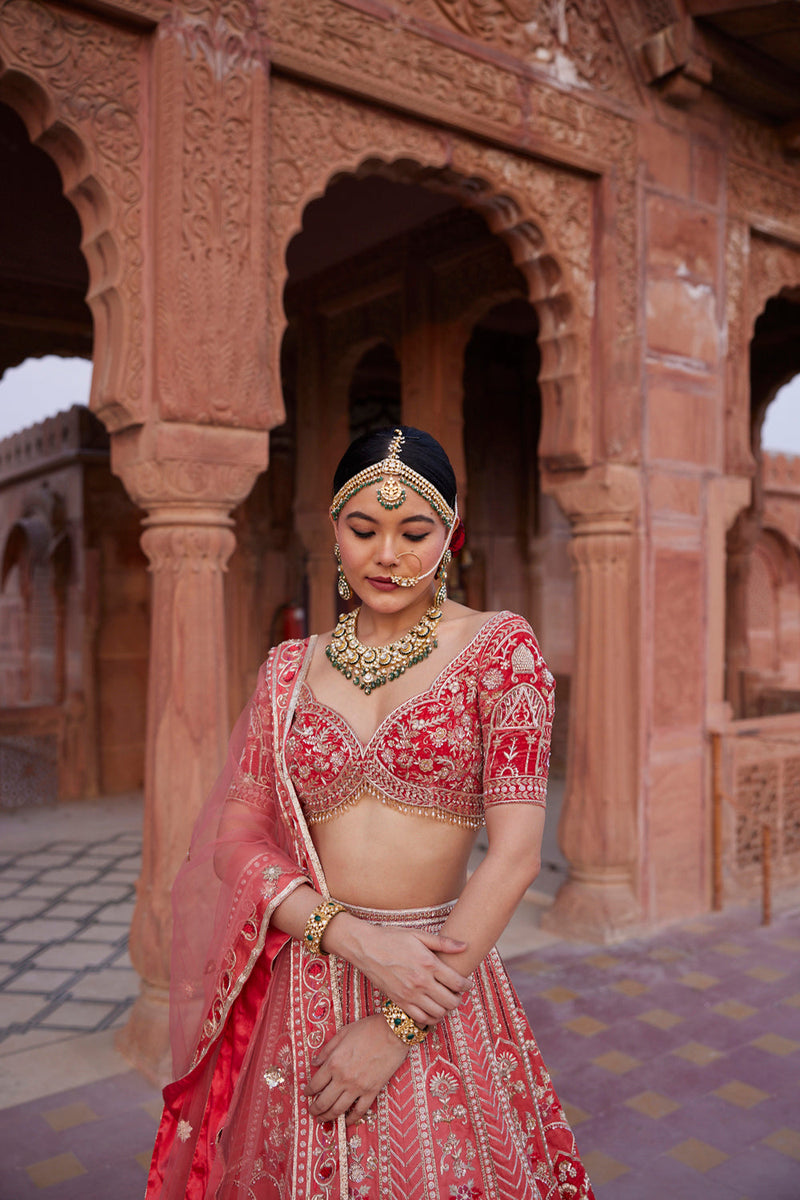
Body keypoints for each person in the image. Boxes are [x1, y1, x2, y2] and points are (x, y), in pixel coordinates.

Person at [145, 426, 595, 1199]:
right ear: (335, 531)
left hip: (436, 981)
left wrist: (396, 1028)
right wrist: (347, 936)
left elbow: (516, 856)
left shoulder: (499, 650)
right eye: (364, 529)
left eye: (414, 532)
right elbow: (236, 838)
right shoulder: (289, 669)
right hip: (309, 980)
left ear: (450, 534)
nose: (387, 554)